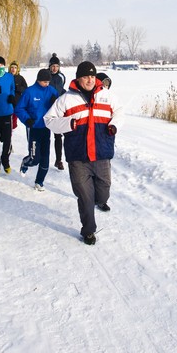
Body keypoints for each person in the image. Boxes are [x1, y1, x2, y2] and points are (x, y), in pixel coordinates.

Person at [44, 61, 124, 245]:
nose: (90, 80)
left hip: (102, 153)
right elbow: (49, 119)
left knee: (103, 193)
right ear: (78, 78)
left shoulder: (107, 95)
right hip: (78, 156)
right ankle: (88, 231)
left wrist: (114, 125)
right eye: (86, 76)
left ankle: (97, 201)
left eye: (92, 76)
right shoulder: (66, 99)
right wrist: (67, 123)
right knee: (85, 197)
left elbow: (120, 111)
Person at [15, 69, 58, 191]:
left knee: (45, 158)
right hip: (34, 129)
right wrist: (27, 119)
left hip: (46, 128)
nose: (47, 84)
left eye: (48, 81)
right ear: (38, 80)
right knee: (35, 158)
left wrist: (55, 103)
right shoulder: (29, 92)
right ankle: (25, 162)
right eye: (44, 82)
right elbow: (19, 109)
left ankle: (39, 182)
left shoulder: (52, 91)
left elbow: (60, 105)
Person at [48, 53, 66, 170]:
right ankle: (41, 157)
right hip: (45, 109)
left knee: (58, 136)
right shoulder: (45, 75)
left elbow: (61, 89)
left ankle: (58, 160)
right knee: (44, 136)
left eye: (57, 66)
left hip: (57, 110)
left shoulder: (61, 77)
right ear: (49, 66)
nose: (55, 68)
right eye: (53, 66)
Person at [8, 60, 28, 130]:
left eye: (15, 68)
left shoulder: (20, 78)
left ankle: (12, 128)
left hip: (16, 101)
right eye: (12, 67)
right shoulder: (6, 77)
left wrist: (18, 88)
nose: (13, 69)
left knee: (14, 117)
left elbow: (25, 88)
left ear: (17, 69)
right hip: (7, 100)